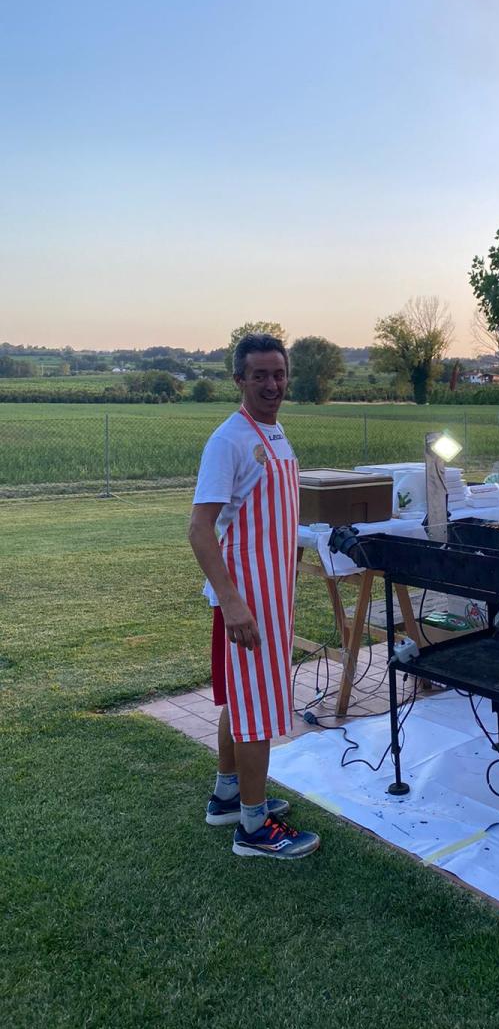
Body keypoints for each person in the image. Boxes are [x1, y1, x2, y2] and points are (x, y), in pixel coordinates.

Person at [188, 332, 320, 859]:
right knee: (257, 707)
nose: (272, 384)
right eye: (260, 375)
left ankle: (227, 796)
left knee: (243, 698)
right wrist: (233, 602)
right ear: (238, 379)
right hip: (247, 598)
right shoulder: (229, 441)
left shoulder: (274, 432)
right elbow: (200, 529)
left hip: (272, 592)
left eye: (279, 374)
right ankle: (254, 826)